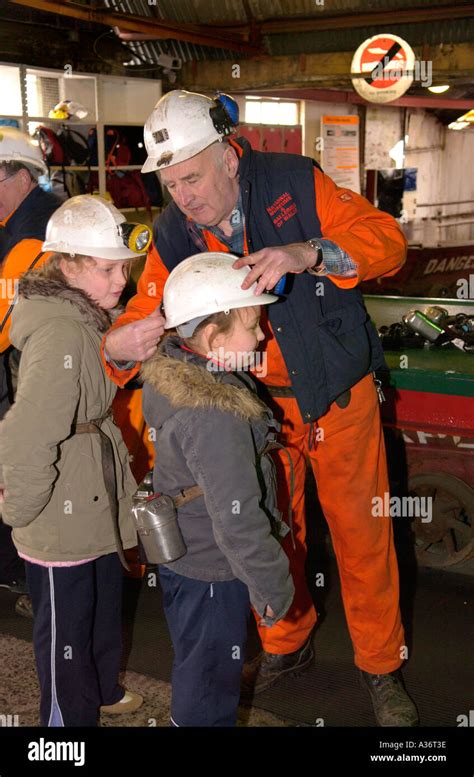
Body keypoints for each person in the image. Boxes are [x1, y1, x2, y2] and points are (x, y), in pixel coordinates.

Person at [102, 90, 418, 727]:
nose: (184, 195)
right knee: (277, 530)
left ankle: (381, 667)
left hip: (337, 397)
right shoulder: (170, 233)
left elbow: (386, 240)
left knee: (364, 540)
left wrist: (310, 252)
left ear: (229, 156)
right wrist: (116, 344)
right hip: (256, 412)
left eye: (191, 176)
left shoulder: (297, 184)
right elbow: (144, 312)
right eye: (169, 182)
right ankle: (285, 641)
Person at [0, 195, 146, 726]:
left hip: (90, 498)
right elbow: (29, 428)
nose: (120, 281)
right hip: (58, 510)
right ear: (67, 264)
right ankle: (64, 729)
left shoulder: (85, 316)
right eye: (107, 269)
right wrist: (23, 509)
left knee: (102, 610)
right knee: (65, 631)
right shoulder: (61, 329)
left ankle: (102, 689)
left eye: (122, 268)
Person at [140, 252, 294, 727]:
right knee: (209, 684)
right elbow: (237, 514)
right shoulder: (215, 413)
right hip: (212, 567)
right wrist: (271, 583)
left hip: (189, 559)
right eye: (253, 325)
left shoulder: (181, 373)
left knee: (198, 667)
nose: (263, 334)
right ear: (212, 337)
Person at [0, 127, 61, 614]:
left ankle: (26, 575)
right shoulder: (21, 218)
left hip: (31, 376)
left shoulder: (34, 228)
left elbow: (2, 317)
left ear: (20, 176)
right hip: (27, 372)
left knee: (24, 469)